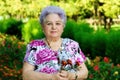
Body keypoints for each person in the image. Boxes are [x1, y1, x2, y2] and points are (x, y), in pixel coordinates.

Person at [22, 6, 88, 80]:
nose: (54, 27)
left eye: (58, 23)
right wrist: (51, 77)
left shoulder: (72, 45)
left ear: (63, 26)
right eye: (49, 24)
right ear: (43, 27)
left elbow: (84, 72)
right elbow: (26, 75)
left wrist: (71, 76)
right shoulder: (34, 46)